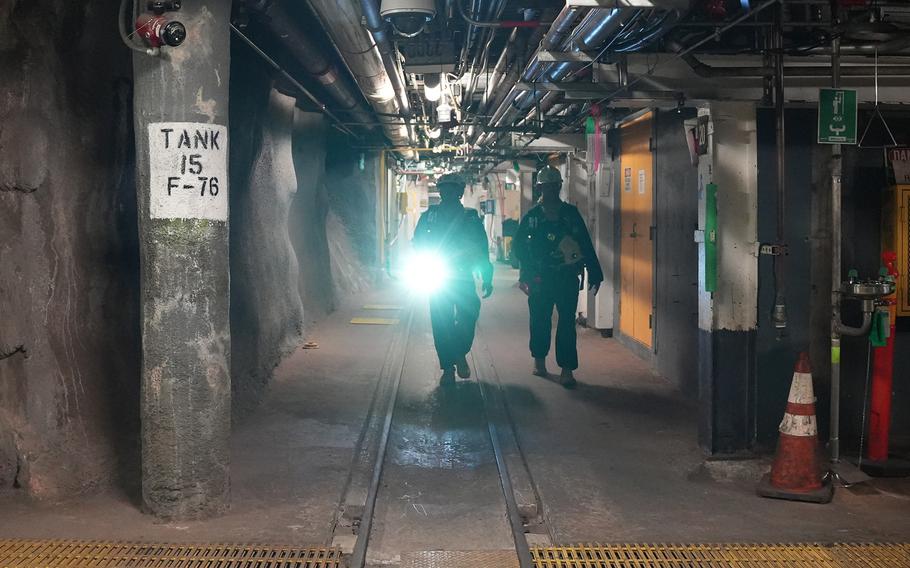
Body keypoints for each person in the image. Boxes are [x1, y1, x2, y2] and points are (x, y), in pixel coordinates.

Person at [512, 166, 603, 388]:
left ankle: (567, 369)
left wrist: (595, 272)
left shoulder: (571, 214)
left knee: (566, 324)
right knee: (539, 320)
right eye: (546, 187)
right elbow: (518, 247)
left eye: (554, 186)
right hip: (539, 279)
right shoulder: (532, 217)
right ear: (539, 188)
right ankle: (539, 360)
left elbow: (585, 243)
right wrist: (526, 272)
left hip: (566, 277)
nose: (551, 191)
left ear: (559, 186)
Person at [412, 173, 494, 384]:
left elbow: (481, 247)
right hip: (438, 274)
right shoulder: (430, 215)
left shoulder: (470, 217)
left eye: (452, 188)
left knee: (469, 312)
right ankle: (448, 367)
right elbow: (418, 242)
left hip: (463, 274)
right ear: (440, 191)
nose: (448, 192)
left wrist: (487, 275)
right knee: (441, 321)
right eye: (444, 188)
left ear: (459, 192)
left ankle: (459, 352)